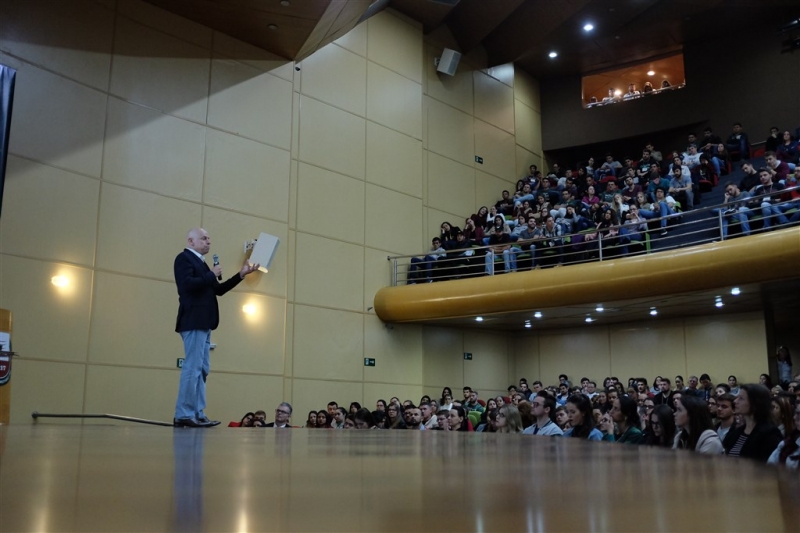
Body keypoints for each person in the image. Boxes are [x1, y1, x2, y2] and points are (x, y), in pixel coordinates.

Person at [173, 228, 260, 428]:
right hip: (193, 320)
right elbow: (185, 285)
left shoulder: (202, 264)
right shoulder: (184, 259)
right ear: (191, 241)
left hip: (204, 323)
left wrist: (241, 275)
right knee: (192, 367)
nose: (208, 242)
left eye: (209, 239)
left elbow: (218, 290)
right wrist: (211, 275)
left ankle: (197, 412)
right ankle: (184, 413)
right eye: (204, 238)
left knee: (202, 369)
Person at [723, 384, 783, 462]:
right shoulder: (737, 432)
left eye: (741, 398)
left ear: (755, 403)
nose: (735, 401)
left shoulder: (770, 434)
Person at [768, 401, 800, 469]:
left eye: (798, 414)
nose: (794, 417)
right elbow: (770, 466)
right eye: (795, 413)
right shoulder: (786, 443)